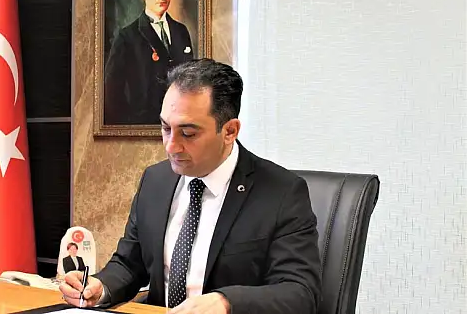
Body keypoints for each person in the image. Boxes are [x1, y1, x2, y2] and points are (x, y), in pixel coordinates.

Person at [60, 59, 322, 314]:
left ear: (229, 131)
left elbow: (299, 292)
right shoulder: (155, 181)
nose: (171, 146)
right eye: (166, 128)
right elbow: (130, 264)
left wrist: (227, 303)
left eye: (188, 133)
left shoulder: (281, 192)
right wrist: (100, 287)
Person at [103, 0, 195, 125]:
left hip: (179, 126)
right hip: (144, 127)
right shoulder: (127, 37)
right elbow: (112, 93)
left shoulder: (181, 31)